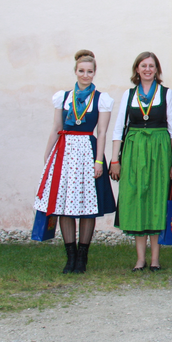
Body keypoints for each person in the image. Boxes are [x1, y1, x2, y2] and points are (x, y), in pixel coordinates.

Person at [35, 49, 115, 274]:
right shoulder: (63, 97)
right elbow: (56, 127)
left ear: (95, 72)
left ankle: (82, 257)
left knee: (88, 207)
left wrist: (99, 161)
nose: (85, 75)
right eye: (81, 71)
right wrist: (47, 154)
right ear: (75, 71)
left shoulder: (101, 99)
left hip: (88, 152)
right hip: (65, 152)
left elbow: (102, 131)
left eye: (90, 71)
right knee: (65, 206)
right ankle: (69, 256)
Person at [110, 52, 172, 271]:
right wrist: (115, 160)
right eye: (144, 65)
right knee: (136, 198)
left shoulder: (166, 94)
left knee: (157, 199)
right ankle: (140, 259)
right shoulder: (128, 94)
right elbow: (118, 128)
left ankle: (155, 259)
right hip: (134, 151)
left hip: (160, 151)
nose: (148, 69)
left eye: (151, 66)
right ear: (137, 69)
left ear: (157, 70)